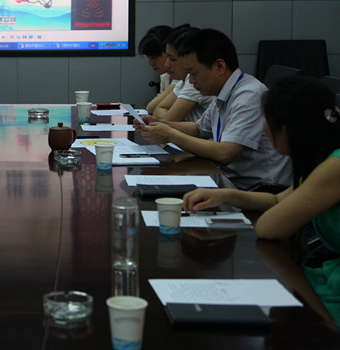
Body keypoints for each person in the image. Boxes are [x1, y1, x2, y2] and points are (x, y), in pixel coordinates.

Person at [183, 76, 340, 325]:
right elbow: (277, 200)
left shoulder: (334, 166)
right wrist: (226, 195)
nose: (264, 128)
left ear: (286, 128)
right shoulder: (323, 158)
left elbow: (268, 227)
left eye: (267, 120)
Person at [138, 28, 291, 189]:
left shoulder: (249, 95)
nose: (191, 81)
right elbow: (198, 129)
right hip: (228, 179)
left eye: (194, 74)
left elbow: (225, 153)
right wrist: (160, 124)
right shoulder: (223, 91)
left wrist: (170, 134)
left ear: (219, 66)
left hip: (259, 189)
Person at [153, 26, 214, 122]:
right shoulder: (184, 80)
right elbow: (159, 109)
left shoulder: (195, 81)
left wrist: (168, 122)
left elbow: (169, 120)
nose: (166, 64)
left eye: (172, 59)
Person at [139, 25, 174, 113]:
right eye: (148, 57)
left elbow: (151, 107)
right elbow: (155, 109)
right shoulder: (165, 76)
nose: (150, 63)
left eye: (154, 57)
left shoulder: (185, 78)